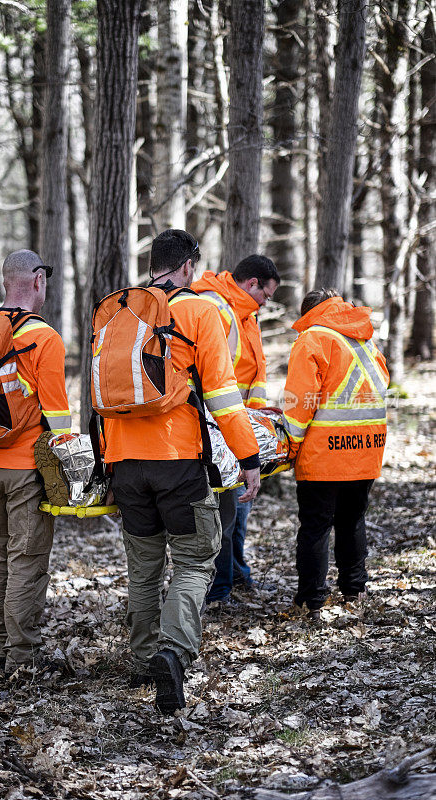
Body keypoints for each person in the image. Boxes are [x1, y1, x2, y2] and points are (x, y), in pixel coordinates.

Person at [103, 229, 261, 713]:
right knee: (195, 560)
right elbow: (223, 396)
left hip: (123, 463)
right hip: (177, 462)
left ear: (154, 263)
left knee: (144, 564)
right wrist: (249, 457)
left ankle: (142, 657)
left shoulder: (117, 308)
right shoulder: (199, 311)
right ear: (189, 266)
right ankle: (172, 652)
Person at [0, 250, 71, 676]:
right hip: (26, 467)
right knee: (26, 559)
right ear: (36, 281)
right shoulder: (43, 338)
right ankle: (22, 658)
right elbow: (58, 416)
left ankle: (1, 647)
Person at [281, 288, 389, 620]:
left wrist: (289, 447)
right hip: (366, 451)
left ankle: (311, 602)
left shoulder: (314, 338)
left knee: (315, 526)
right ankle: (354, 592)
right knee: (352, 521)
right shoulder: (364, 337)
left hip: (324, 455)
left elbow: (299, 402)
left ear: (310, 312)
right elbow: (382, 380)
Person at [192, 255, 280, 602]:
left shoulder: (246, 315)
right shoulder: (218, 309)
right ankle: (221, 587)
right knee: (227, 515)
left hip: (242, 428)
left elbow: (252, 375)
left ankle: (236, 575)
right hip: (222, 429)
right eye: (266, 295)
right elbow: (216, 383)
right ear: (252, 284)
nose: (265, 303)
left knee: (238, 513)